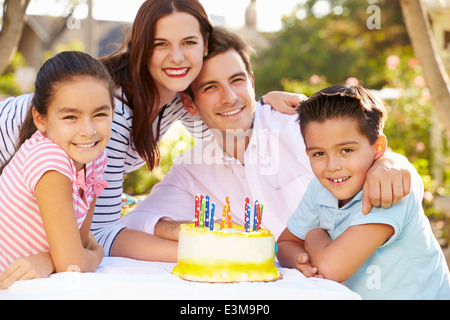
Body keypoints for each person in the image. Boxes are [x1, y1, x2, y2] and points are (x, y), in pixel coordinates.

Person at [0, 0, 300, 264]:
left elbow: (228, 126)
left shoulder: (179, 99)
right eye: (161, 44)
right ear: (141, 48)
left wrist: (261, 104)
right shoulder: (108, 115)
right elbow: (98, 236)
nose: (178, 57)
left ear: (204, 44)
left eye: (189, 42)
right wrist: (206, 251)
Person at [121, 28, 416, 261]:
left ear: (251, 81)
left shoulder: (299, 127)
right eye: (210, 87)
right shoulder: (191, 170)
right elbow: (132, 226)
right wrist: (184, 230)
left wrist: (390, 162)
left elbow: (391, 168)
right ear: (189, 103)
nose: (230, 98)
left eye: (236, 81)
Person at [276, 84, 450, 299]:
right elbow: (285, 243)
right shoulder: (319, 189)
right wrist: (302, 262)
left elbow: (331, 269)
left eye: (346, 150)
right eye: (319, 153)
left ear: (378, 148)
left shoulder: (388, 189)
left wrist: (312, 235)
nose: (332, 165)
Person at [0, 51, 113, 289]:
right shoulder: (49, 159)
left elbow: (77, 246)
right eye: (71, 116)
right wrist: (99, 253)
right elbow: (75, 264)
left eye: (100, 114)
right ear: (41, 120)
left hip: (32, 285)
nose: (88, 130)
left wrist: (50, 260)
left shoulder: (95, 158)